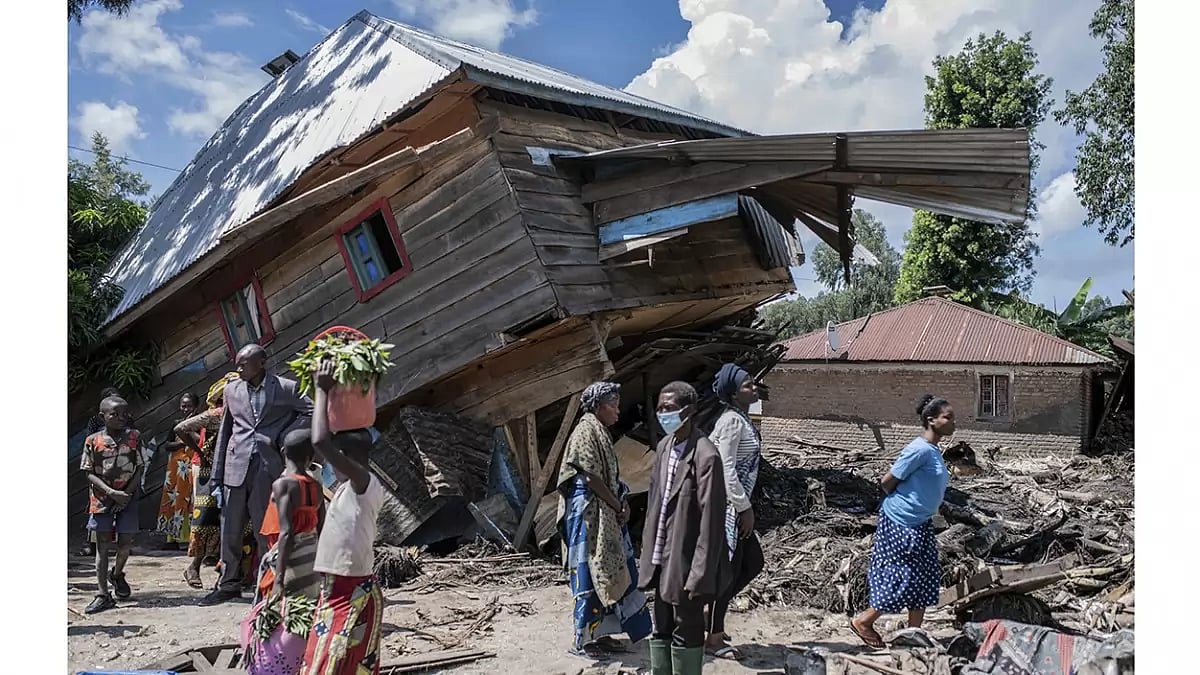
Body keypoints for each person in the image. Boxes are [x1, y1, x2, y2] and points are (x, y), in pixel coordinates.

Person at [202, 344, 313, 606]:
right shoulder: (231, 390)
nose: (239, 369)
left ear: (261, 362)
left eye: (244, 364)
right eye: (237, 364)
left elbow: (310, 411)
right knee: (230, 529)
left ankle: (267, 585)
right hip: (235, 466)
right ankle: (228, 584)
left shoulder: (286, 388)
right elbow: (225, 431)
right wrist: (216, 477)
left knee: (266, 529)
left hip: (267, 466)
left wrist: (285, 436)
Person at [556, 381, 653, 658]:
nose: (618, 411)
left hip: (604, 511)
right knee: (590, 572)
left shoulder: (601, 432)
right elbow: (590, 477)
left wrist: (622, 503)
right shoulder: (585, 431)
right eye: (613, 405)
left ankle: (602, 633)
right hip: (588, 516)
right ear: (597, 407)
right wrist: (616, 504)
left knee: (610, 571)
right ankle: (585, 640)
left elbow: (611, 478)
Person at [301, 358, 385, 675]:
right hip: (336, 587)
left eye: (335, 459)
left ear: (347, 458)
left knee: (336, 662)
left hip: (352, 591)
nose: (330, 465)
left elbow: (320, 441)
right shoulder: (347, 489)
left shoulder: (365, 483)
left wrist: (321, 391)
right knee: (326, 661)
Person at [638, 381, 730, 675]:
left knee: (686, 629)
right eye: (659, 409)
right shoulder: (664, 447)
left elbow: (711, 523)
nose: (662, 415)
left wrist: (699, 574)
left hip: (687, 562)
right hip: (660, 558)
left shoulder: (706, 456)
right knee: (661, 626)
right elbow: (655, 504)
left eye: (668, 408)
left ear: (688, 411)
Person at [850, 395, 955, 648]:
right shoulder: (918, 449)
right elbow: (887, 482)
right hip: (902, 522)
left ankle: (913, 633)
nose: (953, 422)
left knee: (924, 576)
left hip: (921, 522)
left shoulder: (933, 450)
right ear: (931, 420)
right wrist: (906, 505)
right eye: (948, 417)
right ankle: (864, 621)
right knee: (903, 576)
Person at [704, 364, 766, 660]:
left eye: (753, 383)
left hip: (736, 505)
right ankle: (714, 639)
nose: (754, 388)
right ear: (732, 393)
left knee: (752, 563)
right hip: (728, 507)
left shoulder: (741, 418)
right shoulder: (731, 421)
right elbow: (726, 467)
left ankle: (710, 616)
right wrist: (744, 508)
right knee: (728, 571)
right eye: (747, 385)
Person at [176, 373, 256, 589]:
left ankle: (233, 572)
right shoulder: (217, 414)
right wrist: (200, 452)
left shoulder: (247, 412)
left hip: (237, 471)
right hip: (210, 472)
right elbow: (180, 428)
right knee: (206, 520)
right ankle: (194, 567)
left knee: (238, 522)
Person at [80, 396, 144, 614]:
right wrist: (111, 493)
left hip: (128, 497)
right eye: (114, 414)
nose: (120, 418)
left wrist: (125, 494)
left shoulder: (134, 437)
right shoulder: (93, 441)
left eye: (124, 414)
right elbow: (88, 472)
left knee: (125, 544)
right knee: (102, 546)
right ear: (102, 417)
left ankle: (116, 575)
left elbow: (139, 467)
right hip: (101, 499)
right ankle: (102, 594)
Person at [255, 428, 325, 607]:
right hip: (309, 555)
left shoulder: (284, 485)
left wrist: (279, 579)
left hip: (287, 558)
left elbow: (287, 533)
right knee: (306, 606)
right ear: (311, 457)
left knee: (280, 607)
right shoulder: (316, 487)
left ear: (283, 451)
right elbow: (321, 527)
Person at [78, 387, 126, 557]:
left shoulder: (126, 419)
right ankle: (93, 544)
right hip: (100, 472)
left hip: (122, 470)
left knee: (122, 510)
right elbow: (92, 442)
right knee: (96, 510)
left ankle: (121, 545)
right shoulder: (95, 422)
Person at [156, 393, 200, 549]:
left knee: (190, 500)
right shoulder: (176, 423)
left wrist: (188, 430)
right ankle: (172, 539)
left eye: (189, 406)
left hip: (191, 468)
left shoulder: (200, 423)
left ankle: (190, 539)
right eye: (183, 406)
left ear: (196, 407)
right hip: (175, 470)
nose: (185, 409)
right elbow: (167, 445)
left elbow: (201, 441)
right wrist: (183, 442)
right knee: (174, 500)